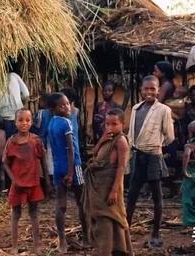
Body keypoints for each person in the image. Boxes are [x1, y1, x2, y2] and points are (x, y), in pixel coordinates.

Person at [126, 75, 175, 248]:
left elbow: (169, 136)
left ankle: (155, 232)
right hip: (137, 155)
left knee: (157, 195)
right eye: (146, 88)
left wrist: (155, 145)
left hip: (153, 155)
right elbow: (131, 133)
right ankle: (126, 229)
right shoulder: (135, 109)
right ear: (141, 90)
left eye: (152, 89)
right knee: (132, 194)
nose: (149, 92)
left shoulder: (163, 110)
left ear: (158, 90)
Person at [84, 108, 132, 256]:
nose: (110, 127)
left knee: (113, 217)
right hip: (98, 187)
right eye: (107, 124)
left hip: (110, 186)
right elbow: (95, 155)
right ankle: (110, 249)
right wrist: (101, 140)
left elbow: (121, 167)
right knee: (102, 217)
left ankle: (113, 250)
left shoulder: (121, 141)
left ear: (122, 125)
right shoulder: (107, 138)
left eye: (114, 124)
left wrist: (114, 190)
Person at [2, 108, 51, 255]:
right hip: (18, 184)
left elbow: (43, 160)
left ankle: (36, 245)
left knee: (34, 213)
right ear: (15, 122)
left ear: (32, 122)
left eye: (28, 120)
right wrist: (13, 179)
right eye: (20, 120)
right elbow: (4, 162)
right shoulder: (11, 142)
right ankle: (15, 245)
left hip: (34, 182)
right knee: (15, 213)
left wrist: (47, 180)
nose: (24, 123)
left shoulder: (36, 140)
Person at [47, 92, 89, 253]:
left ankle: (62, 241)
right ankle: (86, 237)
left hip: (58, 167)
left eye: (67, 104)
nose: (66, 107)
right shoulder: (66, 123)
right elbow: (71, 150)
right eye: (62, 105)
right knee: (81, 202)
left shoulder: (51, 123)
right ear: (54, 109)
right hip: (74, 166)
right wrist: (71, 172)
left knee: (60, 205)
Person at [0, 72, 30, 139]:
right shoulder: (14, 76)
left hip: (6, 120)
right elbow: (26, 94)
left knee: (10, 144)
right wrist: (20, 103)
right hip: (20, 117)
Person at [31, 94, 54, 184]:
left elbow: (36, 126)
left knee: (41, 164)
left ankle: (44, 184)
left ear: (44, 102)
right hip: (50, 142)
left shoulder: (41, 113)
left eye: (40, 100)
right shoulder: (53, 113)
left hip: (40, 141)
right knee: (49, 164)